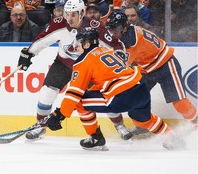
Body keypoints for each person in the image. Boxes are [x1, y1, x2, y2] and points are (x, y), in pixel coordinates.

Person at [43, 27, 186, 151]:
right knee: (143, 119)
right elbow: (104, 81)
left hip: (122, 97)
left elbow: (74, 94)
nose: (77, 47)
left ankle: (95, 138)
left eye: (79, 44)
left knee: (80, 102)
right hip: (141, 89)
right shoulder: (106, 50)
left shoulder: (83, 61)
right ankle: (172, 137)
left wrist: (60, 115)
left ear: (86, 44)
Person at [17, 0, 130, 141]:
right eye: (67, 14)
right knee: (46, 93)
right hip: (63, 64)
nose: (69, 18)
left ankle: (119, 125)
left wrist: (120, 55)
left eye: (73, 14)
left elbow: (114, 44)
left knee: (102, 96)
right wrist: (29, 53)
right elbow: (42, 40)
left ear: (82, 13)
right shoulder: (59, 24)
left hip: (88, 67)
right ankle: (40, 127)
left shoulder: (95, 27)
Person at [105, 10, 197, 136]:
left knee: (179, 102)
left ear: (124, 27)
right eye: (111, 30)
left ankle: (196, 122)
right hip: (147, 69)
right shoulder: (127, 33)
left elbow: (122, 65)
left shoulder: (130, 40)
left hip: (165, 65)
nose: (113, 33)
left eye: (116, 29)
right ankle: (142, 124)